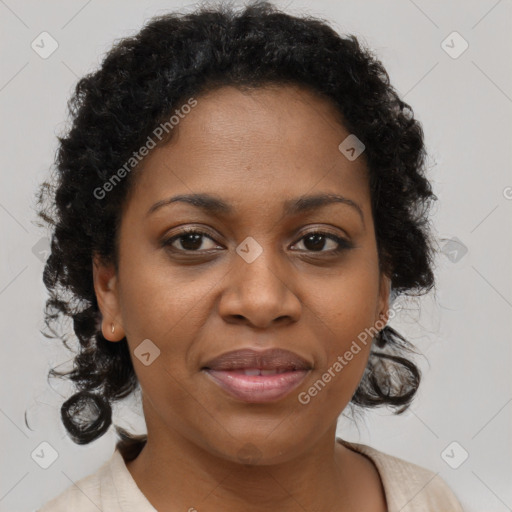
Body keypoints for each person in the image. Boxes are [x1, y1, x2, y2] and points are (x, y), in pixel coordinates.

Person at [36, 2, 464, 510]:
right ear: (109, 289)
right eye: (191, 240)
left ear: (380, 287)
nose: (261, 300)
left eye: (317, 240)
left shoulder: (430, 500)